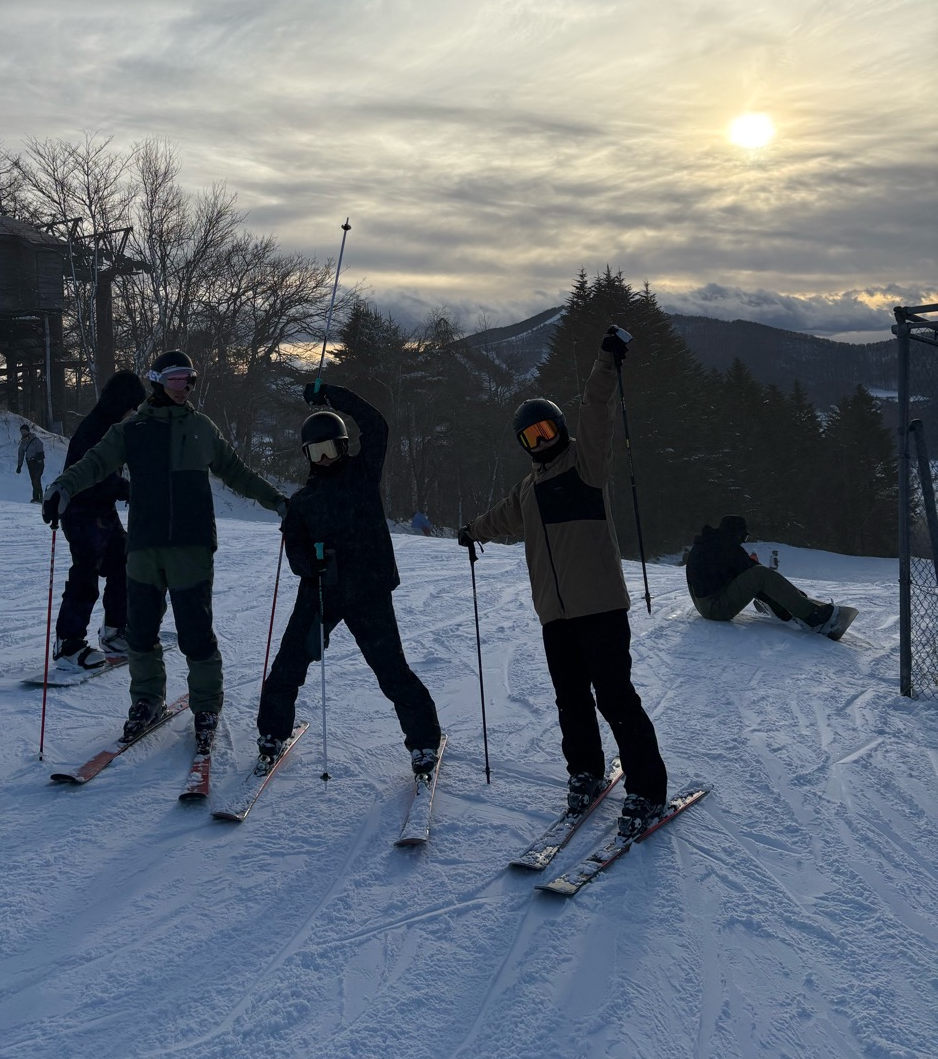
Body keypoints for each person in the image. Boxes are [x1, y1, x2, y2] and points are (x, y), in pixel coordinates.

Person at [456, 332, 669, 840]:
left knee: (614, 696)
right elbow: (502, 517)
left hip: (599, 607)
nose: (542, 441)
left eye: (547, 430)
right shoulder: (527, 488)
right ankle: (586, 771)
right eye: (531, 437)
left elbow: (598, 408)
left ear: (562, 429)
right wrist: (471, 531)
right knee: (570, 698)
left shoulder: (587, 464)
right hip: (555, 613)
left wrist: (605, 362)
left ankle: (647, 789)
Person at [43, 350, 288, 752]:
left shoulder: (202, 428)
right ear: (158, 381)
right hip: (144, 547)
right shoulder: (131, 430)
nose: (184, 386)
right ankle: (146, 701)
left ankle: (206, 706)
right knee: (140, 633)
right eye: (176, 378)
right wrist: (63, 487)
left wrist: (277, 501)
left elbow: (237, 472)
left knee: (196, 632)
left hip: (191, 547)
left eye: (189, 379)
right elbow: (95, 462)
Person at [258, 382, 443, 778]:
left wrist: (333, 395)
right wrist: (311, 566)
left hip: (368, 592)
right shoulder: (303, 502)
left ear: (343, 448)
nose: (325, 460)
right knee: (289, 663)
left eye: (331, 449)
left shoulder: (363, 473)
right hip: (322, 593)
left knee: (391, 671)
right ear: (307, 456)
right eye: (316, 453)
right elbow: (295, 547)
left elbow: (376, 425)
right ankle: (272, 733)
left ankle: (424, 742)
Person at [49, 369, 145, 673]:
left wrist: (125, 488)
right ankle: (68, 644)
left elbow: (109, 477)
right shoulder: (96, 428)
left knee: (124, 562)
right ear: (122, 401)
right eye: (133, 405)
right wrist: (122, 488)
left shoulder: (113, 425)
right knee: (86, 573)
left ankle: (115, 630)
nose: (135, 412)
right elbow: (91, 473)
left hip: (102, 511)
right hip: (80, 512)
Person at [686, 515, 858, 639]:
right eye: (744, 537)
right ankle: (813, 617)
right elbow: (758, 574)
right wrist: (796, 598)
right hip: (715, 609)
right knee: (760, 574)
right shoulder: (726, 547)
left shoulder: (709, 544)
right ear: (736, 533)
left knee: (753, 574)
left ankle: (786, 607)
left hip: (706, 605)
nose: (743, 542)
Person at [16, 425, 45, 503]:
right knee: (33, 480)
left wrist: (39, 458)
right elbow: (20, 453)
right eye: (21, 431)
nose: (22, 433)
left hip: (38, 462)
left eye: (24, 431)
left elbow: (40, 447)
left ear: (28, 431)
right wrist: (19, 465)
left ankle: (40, 498)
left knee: (36, 479)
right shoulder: (23, 442)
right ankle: (36, 497)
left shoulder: (35, 440)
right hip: (30, 463)